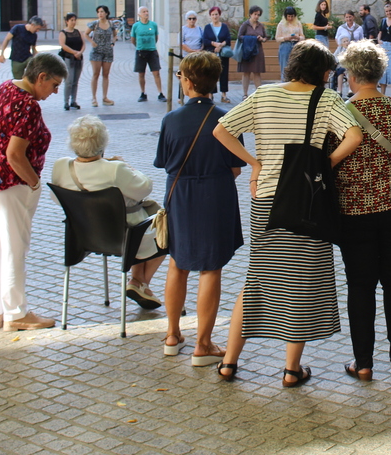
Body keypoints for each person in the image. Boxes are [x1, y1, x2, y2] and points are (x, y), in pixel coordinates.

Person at [213, 40, 363, 387]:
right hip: (307, 200)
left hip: (267, 199)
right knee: (301, 283)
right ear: (323, 72)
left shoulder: (264, 95)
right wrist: (325, 164)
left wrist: (255, 163)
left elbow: (221, 130)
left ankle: (229, 363)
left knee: (257, 280)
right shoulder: (326, 99)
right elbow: (354, 136)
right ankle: (292, 370)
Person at [333, 41, 391, 380]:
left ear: (353, 76)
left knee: (360, 285)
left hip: (354, 212)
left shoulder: (341, 114)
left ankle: (363, 363)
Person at [155, 52, 246, 365]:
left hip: (179, 195)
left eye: (181, 76)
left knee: (177, 263)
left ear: (189, 82)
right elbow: (235, 168)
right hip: (216, 195)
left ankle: (172, 335)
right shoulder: (227, 119)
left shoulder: (170, 120)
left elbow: (164, 163)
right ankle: (203, 344)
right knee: (211, 268)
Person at [0, 52, 66, 331]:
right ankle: (16, 313)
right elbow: (15, 154)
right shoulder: (28, 105)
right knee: (14, 248)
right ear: (41, 77)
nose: (55, 92)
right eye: (54, 85)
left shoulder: (5, 87)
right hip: (11, 184)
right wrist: (34, 182)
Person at [51, 115, 167, 309]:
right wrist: (127, 166)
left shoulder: (61, 166)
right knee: (165, 226)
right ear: (102, 142)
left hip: (82, 235)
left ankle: (138, 281)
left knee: (138, 216)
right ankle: (140, 282)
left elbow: (57, 198)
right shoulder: (115, 169)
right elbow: (145, 187)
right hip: (124, 236)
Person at [132, 6, 167, 104]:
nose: (146, 13)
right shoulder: (136, 26)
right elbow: (133, 39)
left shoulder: (153, 25)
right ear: (139, 14)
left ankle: (160, 93)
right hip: (140, 52)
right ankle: (143, 93)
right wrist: (139, 46)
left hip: (152, 51)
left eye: (147, 11)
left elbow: (156, 38)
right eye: (143, 12)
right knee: (141, 73)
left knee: (156, 73)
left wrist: (151, 45)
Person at [85, 6, 116, 106]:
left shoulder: (111, 24)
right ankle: (94, 98)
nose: (100, 14)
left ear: (106, 13)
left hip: (108, 52)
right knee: (96, 74)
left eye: (102, 12)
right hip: (96, 52)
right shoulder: (95, 24)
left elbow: (115, 34)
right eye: (98, 12)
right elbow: (86, 34)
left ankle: (105, 97)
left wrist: (113, 42)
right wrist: (92, 42)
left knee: (106, 75)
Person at [202, 5, 233, 103]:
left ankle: (224, 95)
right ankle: (211, 95)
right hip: (211, 53)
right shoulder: (207, 27)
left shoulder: (224, 26)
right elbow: (205, 40)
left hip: (223, 54)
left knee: (224, 73)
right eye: (213, 14)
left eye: (216, 14)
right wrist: (214, 44)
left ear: (219, 15)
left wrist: (221, 45)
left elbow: (228, 38)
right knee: (211, 74)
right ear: (210, 16)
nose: (215, 16)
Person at [1, 15, 45, 81]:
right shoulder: (17, 28)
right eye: (37, 28)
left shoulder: (34, 35)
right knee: (18, 80)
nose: (38, 31)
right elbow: (6, 39)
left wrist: (39, 58)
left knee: (36, 70)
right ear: (32, 25)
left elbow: (33, 49)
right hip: (16, 58)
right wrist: (2, 54)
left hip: (27, 57)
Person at [237, 6, 268, 97]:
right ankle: (245, 94)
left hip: (257, 51)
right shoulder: (245, 25)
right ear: (250, 14)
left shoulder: (260, 25)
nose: (256, 16)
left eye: (258, 15)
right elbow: (239, 36)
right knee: (246, 72)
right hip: (247, 51)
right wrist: (251, 38)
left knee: (257, 72)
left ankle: (259, 94)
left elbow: (265, 37)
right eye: (255, 14)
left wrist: (262, 39)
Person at [58, 12, 85, 111]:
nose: (73, 22)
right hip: (69, 58)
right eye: (71, 20)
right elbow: (63, 45)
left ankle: (73, 101)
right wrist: (74, 52)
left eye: (74, 20)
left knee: (75, 81)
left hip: (79, 58)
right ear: (67, 21)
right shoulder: (63, 33)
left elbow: (83, 44)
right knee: (69, 81)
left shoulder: (78, 32)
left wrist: (80, 52)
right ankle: (66, 102)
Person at [275, 6, 304, 81]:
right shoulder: (281, 24)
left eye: (292, 16)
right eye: (289, 16)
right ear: (285, 16)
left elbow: (302, 36)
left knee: (296, 66)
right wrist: (286, 38)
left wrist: (298, 37)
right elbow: (277, 38)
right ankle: (284, 83)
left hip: (296, 44)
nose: (290, 18)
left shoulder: (298, 23)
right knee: (285, 67)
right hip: (285, 45)